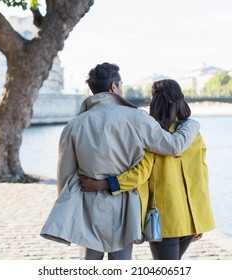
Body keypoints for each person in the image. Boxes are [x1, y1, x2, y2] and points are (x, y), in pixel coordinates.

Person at [40, 63, 200, 260]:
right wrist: (192, 124)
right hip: (125, 207)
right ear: (114, 86)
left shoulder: (75, 125)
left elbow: (64, 176)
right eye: (121, 84)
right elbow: (174, 146)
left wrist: (68, 208)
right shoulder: (138, 118)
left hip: (87, 204)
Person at [80, 79, 215, 260]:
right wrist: (198, 220)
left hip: (165, 222)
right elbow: (202, 177)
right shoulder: (193, 134)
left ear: (155, 102)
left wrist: (103, 184)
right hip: (192, 219)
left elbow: (140, 174)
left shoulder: (153, 135)